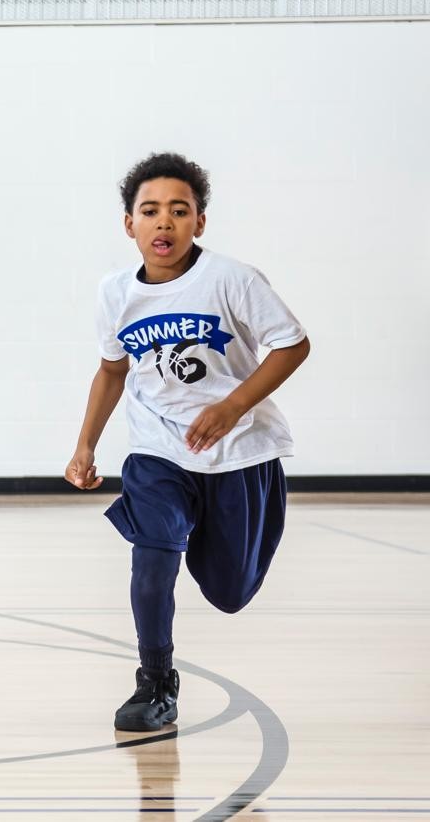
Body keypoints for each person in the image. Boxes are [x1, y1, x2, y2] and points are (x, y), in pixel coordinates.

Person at [65, 152, 310, 731]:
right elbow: (112, 370)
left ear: (199, 221)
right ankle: (155, 682)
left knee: (230, 591)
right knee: (152, 553)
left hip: (238, 451)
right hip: (158, 449)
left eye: (179, 210)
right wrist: (85, 446)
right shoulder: (114, 292)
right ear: (129, 223)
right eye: (150, 210)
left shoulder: (232, 279)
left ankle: (201, 530)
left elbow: (293, 344)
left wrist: (232, 406)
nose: (164, 222)